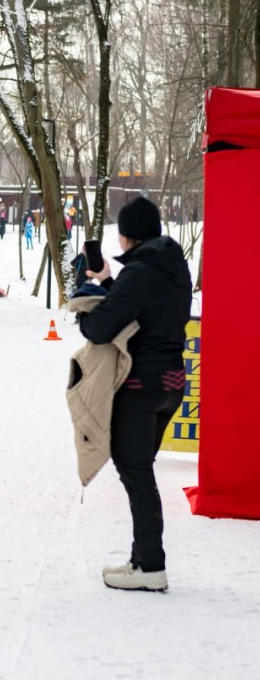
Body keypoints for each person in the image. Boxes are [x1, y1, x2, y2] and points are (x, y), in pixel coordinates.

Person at [76, 196, 192, 592]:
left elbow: (100, 329)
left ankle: (150, 567)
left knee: (137, 475)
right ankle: (142, 560)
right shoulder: (172, 266)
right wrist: (108, 281)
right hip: (171, 384)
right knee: (140, 472)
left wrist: (85, 296)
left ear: (125, 236)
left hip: (141, 387)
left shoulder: (140, 273)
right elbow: (141, 309)